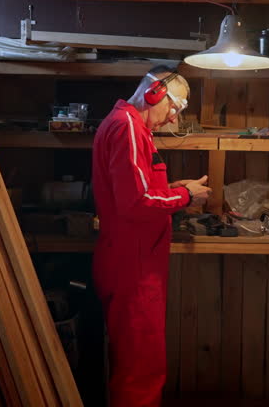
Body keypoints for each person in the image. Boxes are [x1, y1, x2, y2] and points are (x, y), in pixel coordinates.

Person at [91, 66, 212, 407]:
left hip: (136, 262)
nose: (173, 118)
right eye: (174, 107)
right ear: (154, 93)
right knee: (139, 371)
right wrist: (185, 197)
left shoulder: (130, 127)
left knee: (139, 365)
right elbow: (136, 202)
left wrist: (174, 189)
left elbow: (137, 190)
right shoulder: (127, 127)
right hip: (134, 267)